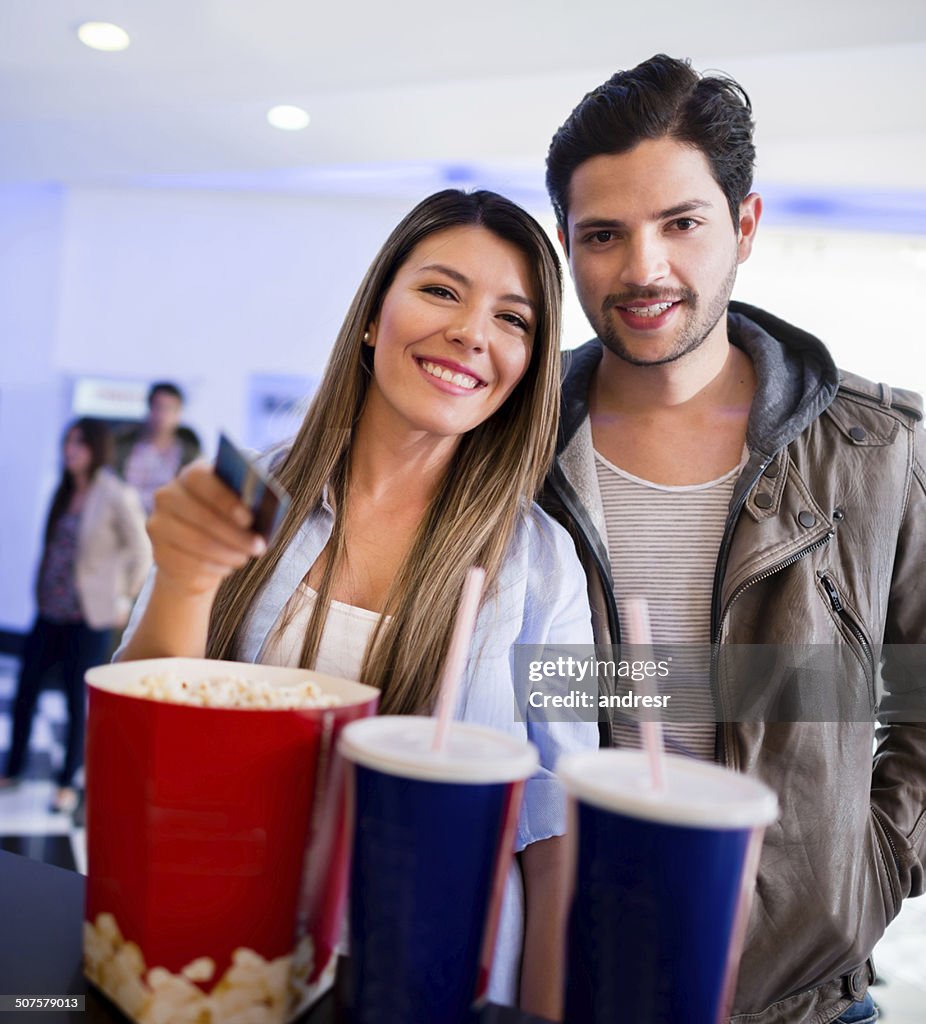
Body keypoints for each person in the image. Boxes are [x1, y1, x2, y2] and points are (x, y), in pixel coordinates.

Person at [116, 189, 598, 1018]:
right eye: (442, 291)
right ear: (373, 317)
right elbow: (137, 748)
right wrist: (184, 578)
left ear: (528, 367)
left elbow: (557, 835)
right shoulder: (253, 492)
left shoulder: (545, 563)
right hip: (224, 966)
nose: (472, 332)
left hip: (440, 983)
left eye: (513, 320)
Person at [542, 54, 925, 1023]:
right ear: (565, 244)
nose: (642, 269)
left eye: (680, 223)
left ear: (743, 226)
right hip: (563, 980)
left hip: (799, 999)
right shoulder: (509, 448)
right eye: (603, 234)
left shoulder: (880, 452)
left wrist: (862, 867)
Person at [0, 418, 150, 813]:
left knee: (73, 700)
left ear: (96, 449)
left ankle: (68, 782)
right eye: (68, 442)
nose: (71, 450)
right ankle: (12, 769)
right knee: (26, 691)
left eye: (79, 444)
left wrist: (124, 598)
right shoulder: (65, 490)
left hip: (88, 617)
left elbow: (143, 551)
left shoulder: (115, 494)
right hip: (49, 610)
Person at [115, 381, 201, 514]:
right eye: (159, 407)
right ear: (149, 408)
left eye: (169, 409)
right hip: (125, 517)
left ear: (179, 413)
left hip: (168, 521)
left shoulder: (189, 453)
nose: (162, 415)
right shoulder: (124, 447)